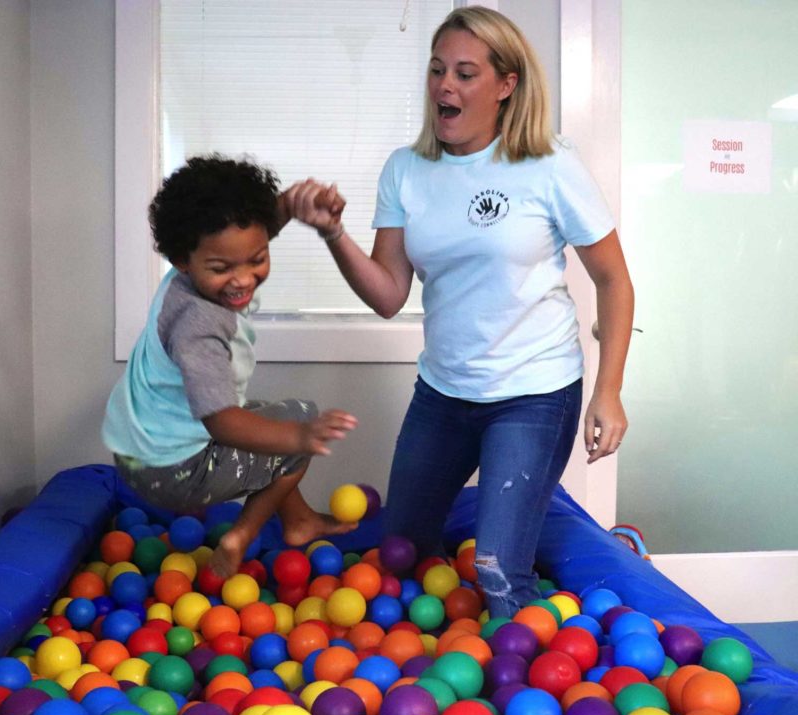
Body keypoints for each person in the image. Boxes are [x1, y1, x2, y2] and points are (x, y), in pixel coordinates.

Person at [283, 6, 634, 617]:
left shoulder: (548, 163)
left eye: (466, 73)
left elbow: (614, 280)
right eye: (438, 69)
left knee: (498, 573)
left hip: (534, 392)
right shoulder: (406, 170)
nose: (446, 85)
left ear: (506, 86)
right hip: (444, 394)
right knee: (401, 555)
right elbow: (389, 294)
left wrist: (609, 391)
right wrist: (334, 233)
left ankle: (520, 676)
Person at [102, 154, 358, 578]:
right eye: (222, 268)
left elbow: (246, 231)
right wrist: (299, 436)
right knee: (296, 422)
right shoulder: (199, 325)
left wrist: (290, 207)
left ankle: (299, 520)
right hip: (174, 473)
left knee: (264, 414)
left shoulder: (185, 274)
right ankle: (240, 536)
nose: (241, 279)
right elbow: (222, 422)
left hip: (139, 451)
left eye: (256, 259)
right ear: (183, 259)